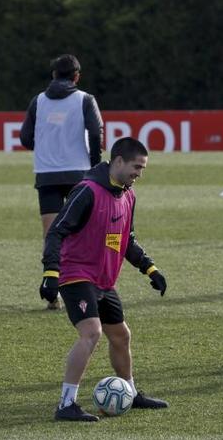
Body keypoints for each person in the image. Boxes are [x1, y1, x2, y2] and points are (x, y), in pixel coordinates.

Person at [41, 137, 168, 421]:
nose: (140, 173)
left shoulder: (128, 196)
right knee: (92, 333)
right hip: (76, 275)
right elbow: (56, 232)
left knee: (121, 336)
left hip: (104, 282)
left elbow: (127, 241)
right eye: (137, 167)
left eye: (143, 168)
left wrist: (150, 269)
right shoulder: (86, 191)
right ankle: (65, 404)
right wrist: (51, 272)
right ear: (118, 161)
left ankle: (131, 393)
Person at [20, 54, 103, 309]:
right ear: (76, 76)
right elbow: (96, 132)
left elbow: (25, 138)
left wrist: (45, 147)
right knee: (84, 232)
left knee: (51, 234)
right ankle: (91, 288)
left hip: (47, 176)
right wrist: (95, 166)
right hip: (79, 174)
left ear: (53, 75)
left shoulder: (38, 101)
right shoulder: (85, 99)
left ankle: (52, 293)